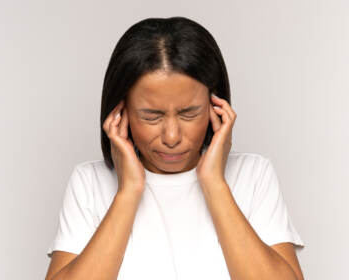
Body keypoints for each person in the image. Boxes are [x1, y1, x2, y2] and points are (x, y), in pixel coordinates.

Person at [45, 16, 305, 280]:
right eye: (151, 116)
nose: (171, 136)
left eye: (189, 114)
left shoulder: (254, 176)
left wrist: (214, 183)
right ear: (120, 112)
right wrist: (128, 192)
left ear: (216, 107)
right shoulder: (90, 183)